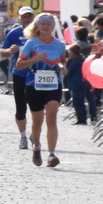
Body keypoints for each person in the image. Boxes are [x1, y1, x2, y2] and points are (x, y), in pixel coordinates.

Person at [14, 13, 68, 168]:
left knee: (52, 116)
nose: (46, 26)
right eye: (43, 23)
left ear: (53, 26)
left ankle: (51, 154)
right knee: (37, 121)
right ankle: (36, 146)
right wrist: (35, 59)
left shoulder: (59, 44)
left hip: (53, 84)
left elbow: (62, 60)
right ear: (38, 26)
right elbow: (19, 64)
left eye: (48, 24)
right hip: (34, 85)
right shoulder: (31, 43)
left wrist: (63, 67)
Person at [0, 6, 37, 147]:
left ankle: (35, 133)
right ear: (19, 18)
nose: (27, 19)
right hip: (20, 74)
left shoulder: (39, 32)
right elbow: (2, 52)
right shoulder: (14, 33)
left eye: (29, 16)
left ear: (33, 17)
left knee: (37, 107)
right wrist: (10, 50)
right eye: (24, 16)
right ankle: (23, 136)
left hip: (36, 74)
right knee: (21, 108)